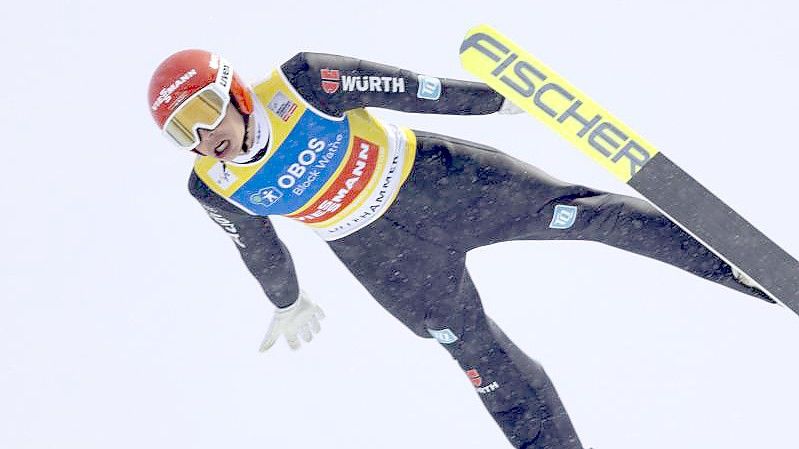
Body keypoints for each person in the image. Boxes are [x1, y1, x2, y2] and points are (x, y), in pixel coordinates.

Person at [147, 49, 773, 449]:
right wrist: (284, 301)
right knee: (474, 353)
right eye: (184, 133)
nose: (205, 137)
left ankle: (751, 272)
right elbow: (259, 249)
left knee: (585, 217)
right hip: (382, 255)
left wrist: (501, 99)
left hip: (442, 183)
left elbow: (413, 90)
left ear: (233, 92)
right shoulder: (214, 188)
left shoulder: (305, 83)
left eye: (204, 112)